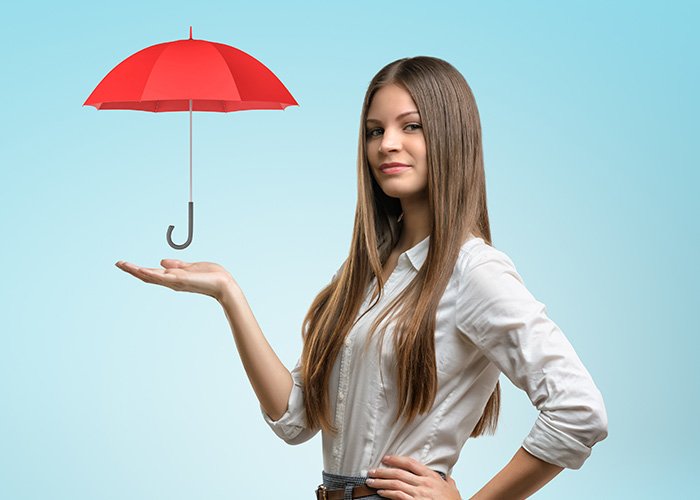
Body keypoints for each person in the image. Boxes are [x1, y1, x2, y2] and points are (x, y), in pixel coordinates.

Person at [116, 56, 608, 500]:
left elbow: (578, 410)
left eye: (410, 126)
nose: (386, 144)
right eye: (374, 131)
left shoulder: (473, 271)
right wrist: (229, 294)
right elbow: (293, 419)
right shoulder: (363, 276)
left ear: (452, 136)